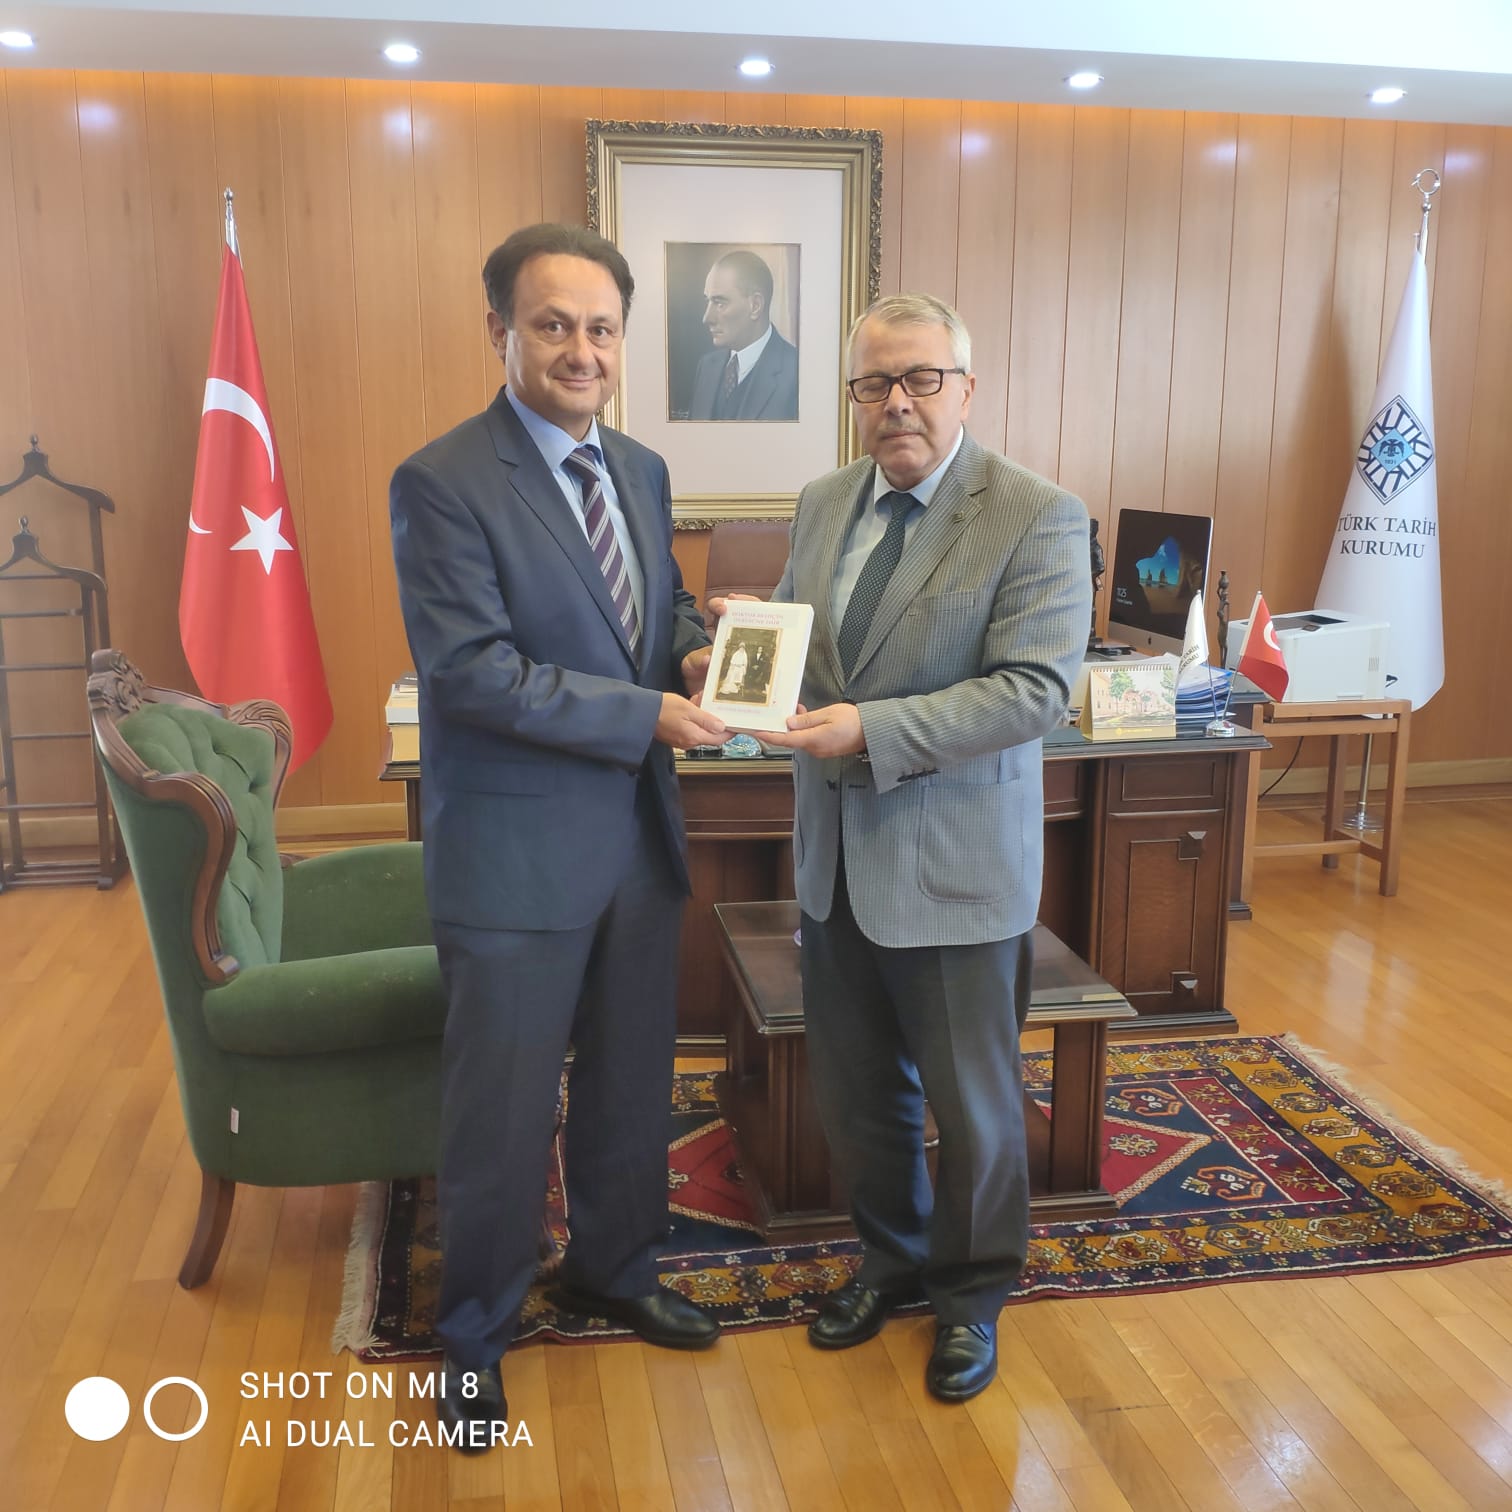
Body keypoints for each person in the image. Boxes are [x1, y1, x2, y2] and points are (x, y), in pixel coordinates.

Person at [389, 223, 728, 1451]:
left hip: (636, 839)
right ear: (501, 331)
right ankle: (473, 1341)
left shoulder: (638, 468)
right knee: (504, 1111)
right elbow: (472, 675)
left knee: (632, 1085)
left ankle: (613, 1271)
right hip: (515, 857)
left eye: (601, 329)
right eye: (553, 325)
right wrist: (648, 713)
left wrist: (701, 647)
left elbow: (655, 613)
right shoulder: (442, 481)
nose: (581, 351)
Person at [753, 292, 1090, 1402]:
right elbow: (805, 641)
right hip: (836, 865)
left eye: (921, 379)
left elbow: (1034, 689)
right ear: (853, 395)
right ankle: (891, 1263)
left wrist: (873, 730)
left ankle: (971, 1296)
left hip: (953, 869)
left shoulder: (1036, 514)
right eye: (874, 383)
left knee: (974, 1110)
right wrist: (742, 655)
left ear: (965, 388)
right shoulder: (825, 501)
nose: (897, 402)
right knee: (859, 1099)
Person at [688, 249, 799, 422]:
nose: (706, 318)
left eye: (719, 303)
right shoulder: (707, 367)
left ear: (755, 306)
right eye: (708, 301)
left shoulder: (797, 372)